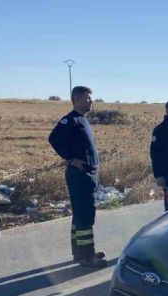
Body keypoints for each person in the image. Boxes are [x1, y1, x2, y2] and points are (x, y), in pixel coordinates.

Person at [48, 86, 106, 267]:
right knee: (85, 215)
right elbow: (53, 139)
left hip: (88, 175)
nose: (91, 101)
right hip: (79, 175)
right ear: (77, 100)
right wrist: (71, 158)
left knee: (80, 215)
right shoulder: (70, 120)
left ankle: (79, 253)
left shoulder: (83, 120)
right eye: (88, 98)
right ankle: (88, 256)